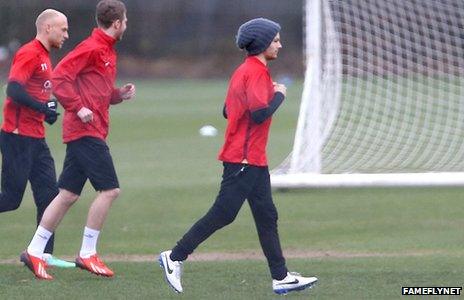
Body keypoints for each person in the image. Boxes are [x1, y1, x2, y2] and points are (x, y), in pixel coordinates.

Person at [159, 18, 317, 295]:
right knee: (224, 213)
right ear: (262, 43)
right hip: (242, 160)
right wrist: (279, 95)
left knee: (267, 215)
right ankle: (174, 257)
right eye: (276, 40)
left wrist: (268, 91)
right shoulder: (255, 72)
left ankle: (280, 277)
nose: (280, 44)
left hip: (254, 159)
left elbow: (226, 110)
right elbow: (258, 114)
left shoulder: (246, 71)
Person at [20, 0, 136, 280]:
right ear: (117, 23)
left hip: (88, 130)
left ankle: (34, 251)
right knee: (110, 191)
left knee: (68, 194)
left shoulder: (107, 51)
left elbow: (98, 93)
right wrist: (77, 107)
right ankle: (88, 253)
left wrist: (118, 94)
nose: (127, 25)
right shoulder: (93, 48)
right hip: (85, 131)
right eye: (126, 21)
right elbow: (59, 78)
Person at [0, 9, 74, 268]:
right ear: (47, 29)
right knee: (10, 199)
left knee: (49, 197)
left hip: (36, 138)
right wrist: (43, 108)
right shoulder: (30, 53)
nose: (66, 34)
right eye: (63, 29)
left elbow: (33, 93)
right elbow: (14, 89)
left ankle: (40, 255)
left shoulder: (45, 56)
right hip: (17, 137)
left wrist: (48, 110)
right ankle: (39, 255)